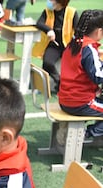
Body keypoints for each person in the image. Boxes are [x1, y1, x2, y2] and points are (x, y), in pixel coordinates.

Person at [58, 9, 103, 140]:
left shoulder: (74, 43)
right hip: (80, 103)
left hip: (65, 99)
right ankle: (85, 134)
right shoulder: (89, 49)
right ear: (99, 31)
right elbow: (98, 76)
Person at [33, 0, 78, 92]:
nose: (48, 1)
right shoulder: (47, 11)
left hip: (69, 46)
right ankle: (60, 83)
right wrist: (49, 30)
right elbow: (39, 23)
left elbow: (78, 30)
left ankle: (71, 86)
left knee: (76, 66)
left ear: (60, 2)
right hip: (54, 46)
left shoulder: (72, 12)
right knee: (47, 63)